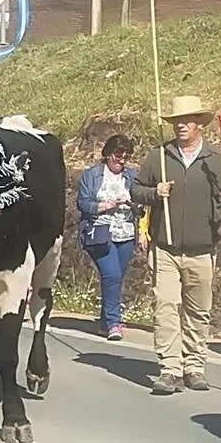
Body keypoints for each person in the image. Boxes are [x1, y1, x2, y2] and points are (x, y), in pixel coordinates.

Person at [131, 95, 221, 394]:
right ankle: (170, 368)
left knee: (198, 311)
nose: (180, 125)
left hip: (203, 248)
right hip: (165, 247)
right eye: (176, 121)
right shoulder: (158, 156)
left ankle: (194, 366)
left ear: (199, 124)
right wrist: (154, 192)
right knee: (166, 306)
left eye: (186, 121)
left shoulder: (217, 159)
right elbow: (135, 189)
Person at [77, 134, 140, 341]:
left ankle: (104, 322)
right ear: (108, 154)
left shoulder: (131, 176)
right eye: (118, 156)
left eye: (125, 157)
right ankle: (114, 323)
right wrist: (104, 206)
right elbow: (83, 203)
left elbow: (141, 204)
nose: (121, 161)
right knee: (111, 274)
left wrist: (134, 206)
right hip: (100, 233)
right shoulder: (92, 175)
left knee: (115, 278)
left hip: (127, 234)